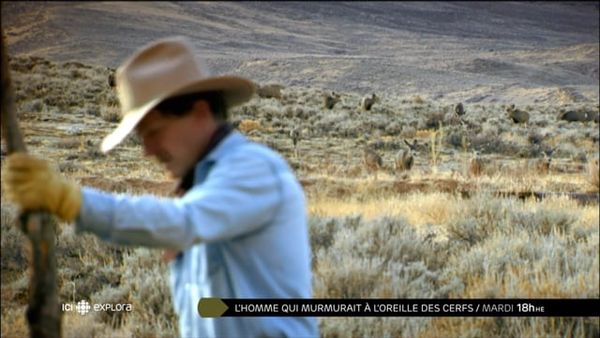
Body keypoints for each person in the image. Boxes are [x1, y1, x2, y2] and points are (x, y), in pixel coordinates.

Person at [3, 36, 319, 338]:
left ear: (199, 113)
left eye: (154, 132)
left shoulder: (253, 169)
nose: (148, 151)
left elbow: (183, 222)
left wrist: (71, 201)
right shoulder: (204, 187)